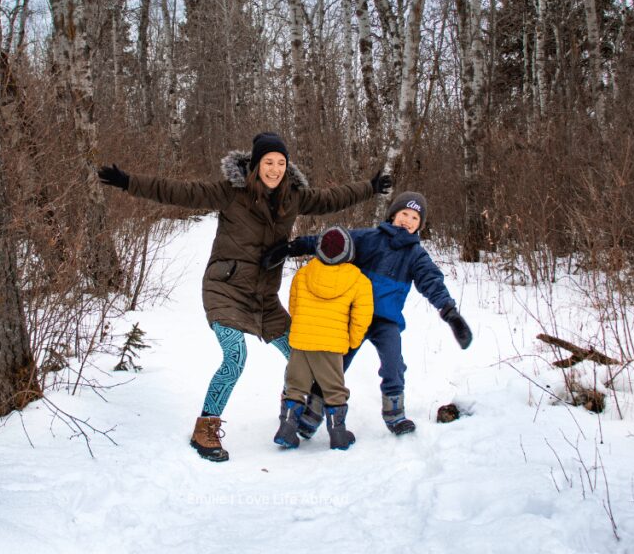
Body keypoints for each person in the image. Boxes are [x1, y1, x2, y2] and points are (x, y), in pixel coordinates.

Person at [98, 132, 392, 462]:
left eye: (281, 163)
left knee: (300, 352)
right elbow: (177, 191)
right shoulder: (230, 192)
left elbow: (331, 198)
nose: (275, 169)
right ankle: (205, 427)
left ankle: (290, 415)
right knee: (235, 356)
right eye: (269, 162)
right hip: (225, 288)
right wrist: (126, 181)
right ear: (255, 165)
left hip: (264, 298)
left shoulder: (293, 197)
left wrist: (370, 186)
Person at [263, 190, 472, 438]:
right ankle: (312, 413)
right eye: (404, 213)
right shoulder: (370, 238)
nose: (408, 220)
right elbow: (331, 240)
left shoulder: (416, 255)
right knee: (334, 366)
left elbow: (432, 282)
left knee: (394, 364)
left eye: (415, 218)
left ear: (420, 226)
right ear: (393, 214)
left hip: (387, 322)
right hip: (353, 318)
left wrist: (450, 313)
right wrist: (293, 247)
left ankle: (395, 415)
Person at [274, 226, 373, 451]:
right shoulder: (359, 281)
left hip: (301, 341)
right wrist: (352, 342)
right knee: (334, 390)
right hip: (332, 344)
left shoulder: (304, 273)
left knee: (295, 386)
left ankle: (286, 430)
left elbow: (294, 305)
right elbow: (361, 318)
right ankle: (338, 435)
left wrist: (302, 328)